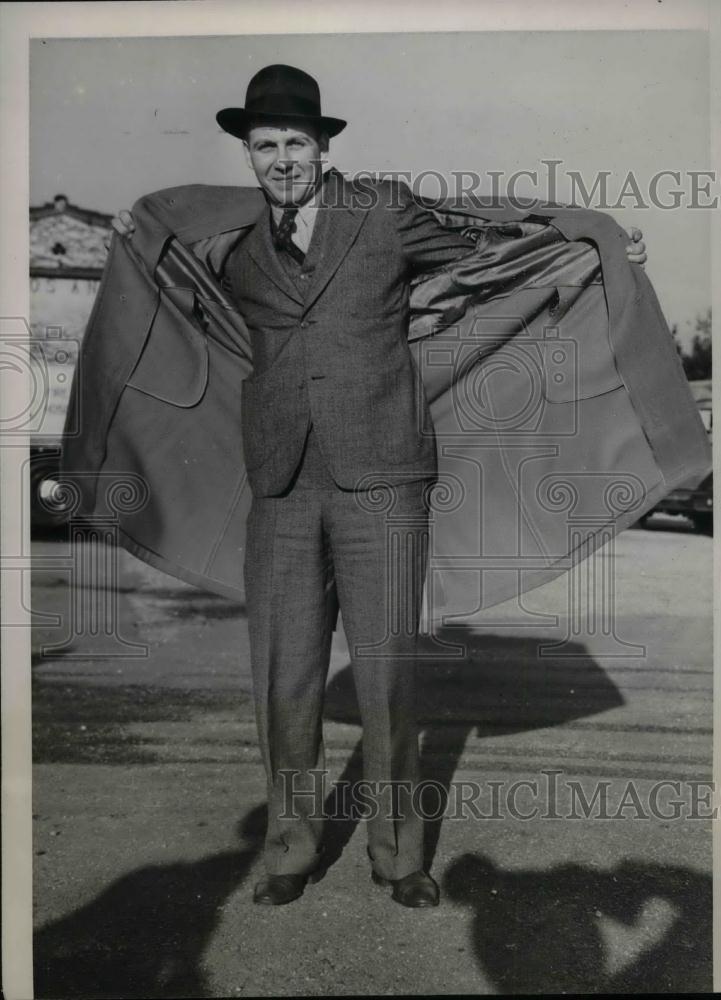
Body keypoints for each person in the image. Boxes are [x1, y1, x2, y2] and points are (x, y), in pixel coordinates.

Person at [109, 64, 647, 908]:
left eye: (294, 142)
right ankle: (289, 852)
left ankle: (400, 859)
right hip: (280, 483)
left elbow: (487, 253)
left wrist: (587, 243)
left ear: (323, 146)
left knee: (388, 674)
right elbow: (170, 271)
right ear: (247, 155)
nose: (281, 159)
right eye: (264, 146)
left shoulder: (382, 211)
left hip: (383, 479)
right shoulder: (237, 247)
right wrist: (132, 236)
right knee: (284, 676)